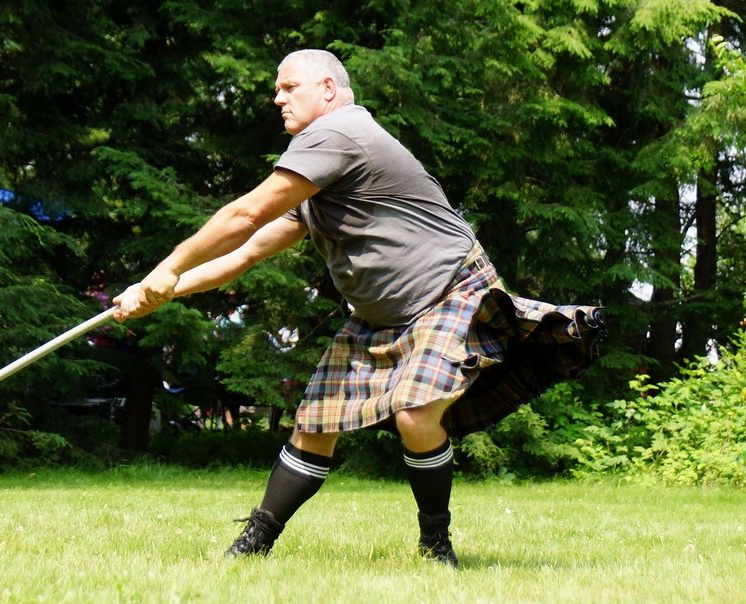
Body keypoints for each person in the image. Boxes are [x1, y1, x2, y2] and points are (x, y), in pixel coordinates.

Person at [112, 49, 604, 567]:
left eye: (288, 87)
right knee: (315, 424)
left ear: (327, 88)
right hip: (380, 315)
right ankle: (253, 545)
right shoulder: (318, 169)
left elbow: (245, 213)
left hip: (448, 291)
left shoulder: (338, 133)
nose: (276, 98)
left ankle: (436, 543)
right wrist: (161, 289)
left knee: (415, 414)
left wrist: (166, 266)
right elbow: (249, 250)